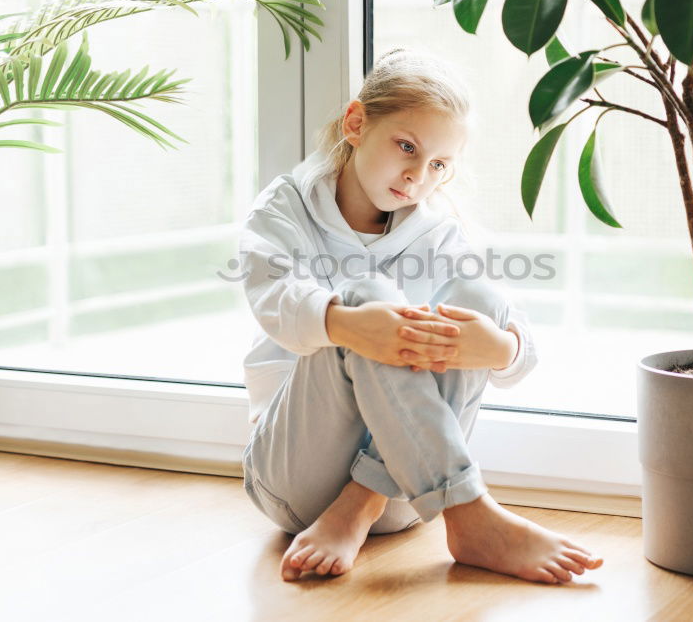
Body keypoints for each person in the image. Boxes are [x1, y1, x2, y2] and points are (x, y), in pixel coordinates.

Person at [236, 48, 603, 584]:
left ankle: (367, 503)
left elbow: (518, 343)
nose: (416, 176)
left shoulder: (437, 232)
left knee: (479, 300)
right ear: (356, 123)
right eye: (407, 146)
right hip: (296, 483)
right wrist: (353, 323)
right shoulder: (284, 208)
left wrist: (498, 350)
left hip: (406, 494)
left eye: (437, 165)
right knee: (365, 292)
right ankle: (468, 510)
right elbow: (277, 301)